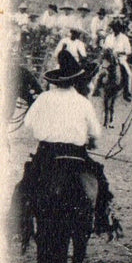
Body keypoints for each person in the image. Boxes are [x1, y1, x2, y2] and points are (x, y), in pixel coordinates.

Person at [14, 50, 120, 250]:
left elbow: (28, 124)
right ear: (75, 81)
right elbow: (96, 132)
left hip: (47, 153)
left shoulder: (44, 99)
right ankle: (102, 220)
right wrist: (90, 140)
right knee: (101, 184)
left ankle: (20, 225)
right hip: (76, 155)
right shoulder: (83, 102)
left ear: (56, 80)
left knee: (23, 188)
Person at [102, 19, 132, 102]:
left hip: (120, 59)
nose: (115, 29)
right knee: (101, 70)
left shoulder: (124, 38)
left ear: (120, 28)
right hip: (110, 58)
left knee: (128, 74)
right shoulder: (109, 37)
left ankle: (126, 93)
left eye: (117, 27)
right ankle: (97, 88)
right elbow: (105, 47)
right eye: (114, 27)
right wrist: (108, 50)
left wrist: (120, 52)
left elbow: (128, 51)